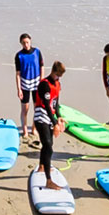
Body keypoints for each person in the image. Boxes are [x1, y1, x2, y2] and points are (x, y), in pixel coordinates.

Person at [34, 61, 67, 190]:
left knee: (48, 145)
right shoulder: (44, 85)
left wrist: (59, 117)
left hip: (50, 117)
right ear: (53, 71)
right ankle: (48, 181)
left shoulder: (58, 84)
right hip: (41, 116)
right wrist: (55, 124)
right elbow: (47, 105)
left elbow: (55, 104)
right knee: (48, 146)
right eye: (57, 75)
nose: (58, 78)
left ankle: (42, 166)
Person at [15, 33, 44, 140]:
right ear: (21, 43)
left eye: (27, 42)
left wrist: (42, 81)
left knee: (37, 108)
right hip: (25, 84)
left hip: (36, 84)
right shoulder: (19, 55)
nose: (26, 45)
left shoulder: (37, 52)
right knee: (25, 109)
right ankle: (25, 131)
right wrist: (19, 89)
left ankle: (34, 129)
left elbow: (41, 67)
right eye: (23, 43)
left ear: (30, 41)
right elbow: (18, 74)